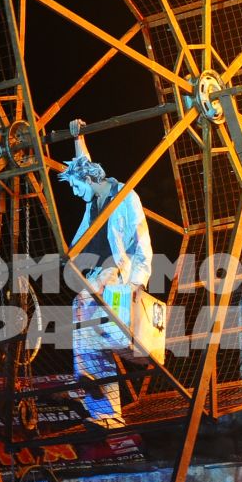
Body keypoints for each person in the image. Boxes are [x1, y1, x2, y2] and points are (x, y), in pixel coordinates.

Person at [57, 120, 153, 427]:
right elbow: (83, 163)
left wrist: (138, 283)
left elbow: (142, 243)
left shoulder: (126, 197)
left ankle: (86, 378)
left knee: (87, 306)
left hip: (117, 271)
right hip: (101, 271)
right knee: (86, 321)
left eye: (75, 185)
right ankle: (107, 412)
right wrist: (77, 137)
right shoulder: (94, 203)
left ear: (87, 179)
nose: (74, 191)